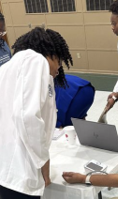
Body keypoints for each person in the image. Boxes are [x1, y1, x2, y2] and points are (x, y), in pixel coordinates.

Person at [0, 27, 73, 199]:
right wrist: (44, 163)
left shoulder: (7, 68)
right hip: (22, 175)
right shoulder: (36, 60)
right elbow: (27, 117)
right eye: (60, 61)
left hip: (5, 171)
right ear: (51, 53)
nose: (59, 68)